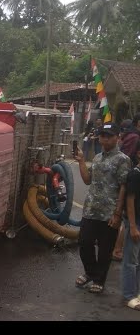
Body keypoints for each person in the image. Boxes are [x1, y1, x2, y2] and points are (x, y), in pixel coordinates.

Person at [74, 122, 131, 294]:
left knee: (105, 249)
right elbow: (87, 180)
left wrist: (117, 213)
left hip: (109, 213)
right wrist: (81, 161)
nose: (104, 139)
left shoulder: (123, 159)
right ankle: (90, 272)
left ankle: (99, 280)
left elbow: (123, 186)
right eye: (102, 136)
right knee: (84, 243)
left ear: (117, 138)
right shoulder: (98, 157)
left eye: (109, 136)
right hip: (91, 209)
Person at [112, 119, 137, 262]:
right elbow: (128, 157)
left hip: (128, 178)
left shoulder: (129, 136)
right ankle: (117, 249)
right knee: (127, 218)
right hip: (132, 179)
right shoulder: (134, 137)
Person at [122, 140, 140, 310]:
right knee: (131, 260)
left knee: (138, 259)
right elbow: (130, 199)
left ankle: (137, 293)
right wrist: (133, 226)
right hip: (135, 221)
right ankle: (129, 295)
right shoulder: (134, 174)